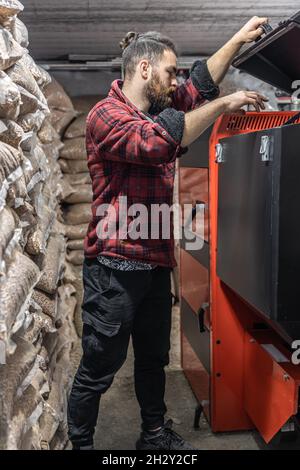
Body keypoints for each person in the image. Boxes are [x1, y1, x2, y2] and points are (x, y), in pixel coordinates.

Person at [67, 16, 268, 450]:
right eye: (168, 70)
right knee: (101, 365)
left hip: (155, 263)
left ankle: (153, 436)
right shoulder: (107, 116)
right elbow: (159, 142)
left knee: (153, 361)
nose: (174, 78)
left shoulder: (156, 106)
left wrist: (236, 39)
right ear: (144, 68)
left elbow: (197, 86)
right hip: (114, 266)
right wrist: (223, 106)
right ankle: (79, 443)